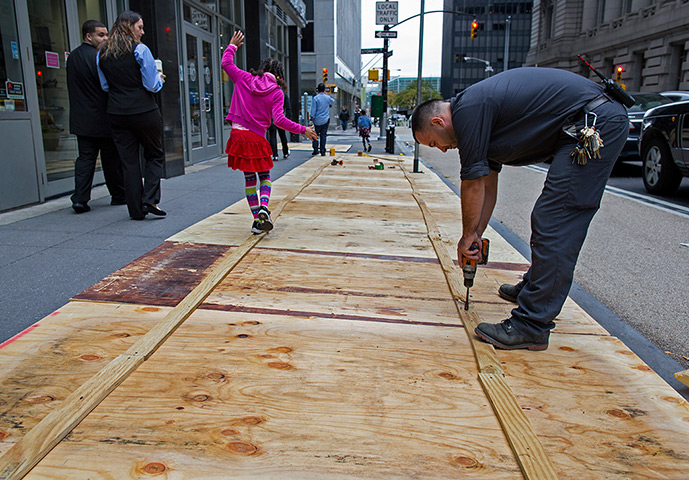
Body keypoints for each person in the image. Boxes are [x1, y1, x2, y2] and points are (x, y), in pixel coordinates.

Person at [411, 67, 628, 351]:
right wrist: (475, 234)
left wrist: (465, 239)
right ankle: (535, 290)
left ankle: (532, 324)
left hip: (593, 124)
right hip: (582, 122)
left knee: (556, 220)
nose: (441, 150)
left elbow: (473, 183)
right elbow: (488, 184)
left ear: (438, 122)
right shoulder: (475, 117)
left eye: (434, 143)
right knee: (550, 217)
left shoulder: (469, 111)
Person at [222, 31, 316, 235]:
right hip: (257, 138)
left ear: (262, 69)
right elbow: (280, 121)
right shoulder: (276, 93)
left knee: (249, 179)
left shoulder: (244, 78)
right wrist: (303, 130)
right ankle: (264, 206)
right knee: (265, 177)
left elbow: (227, 64)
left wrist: (232, 46)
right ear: (279, 75)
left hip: (238, 136)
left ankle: (257, 220)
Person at [97, 11, 166, 221]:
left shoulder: (102, 53)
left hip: (117, 112)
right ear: (129, 27)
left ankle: (135, 209)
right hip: (143, 110)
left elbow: (105, 86)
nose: (143, 32)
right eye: (140, 27)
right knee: (154, 154)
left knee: (129, 162)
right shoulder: (140, 50)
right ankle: (150, 199)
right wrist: (161, 78)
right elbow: (151, 85)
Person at [67, 20, 125, 213]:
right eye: (101, 35)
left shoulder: (72, 57)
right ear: (88, 36)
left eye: (106, 34)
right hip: (103, 117)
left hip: (81, 119)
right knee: (111, 159)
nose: (106, 38)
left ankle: (80, 199)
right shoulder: (100, 57)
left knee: (85, 159)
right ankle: (118, 195)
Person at [310, 83, 335, 156]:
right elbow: (333, 102)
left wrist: (311, 118)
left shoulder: (316, 98)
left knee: (315, 135)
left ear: (317, 89)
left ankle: (315, 149)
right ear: (324, 89)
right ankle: (322, 150)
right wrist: (326, 94)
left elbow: (313, 110)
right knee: (323, 135)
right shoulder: (327, 97)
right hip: (325, 119)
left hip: (317, 120)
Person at [267, 93, 292, 160]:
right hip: (280, 118)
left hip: (271, 118)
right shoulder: (283, 95)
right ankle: (285, 152)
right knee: (282, 135)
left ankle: (275, 155)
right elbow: (288, 108)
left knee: (272, 136)